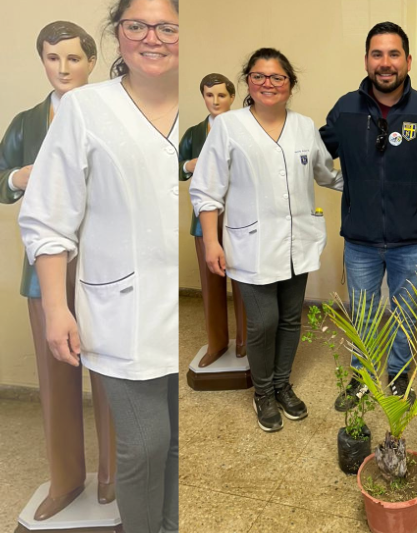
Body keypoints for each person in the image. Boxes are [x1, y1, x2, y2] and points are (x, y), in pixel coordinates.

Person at [18, 0, 180, 531]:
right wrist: (57, 306)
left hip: (180, 312)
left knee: (176, 447)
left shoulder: (203, 111)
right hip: (119, 312)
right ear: (117, 33)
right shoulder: (85, 109)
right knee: (143, 447)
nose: (152, 38)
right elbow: (47, 217)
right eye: (136, 25)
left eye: (167, 27)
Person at [320, 21, 417, 411]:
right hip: (360, 239)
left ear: (408, 60)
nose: (385, 63)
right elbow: (311, 153)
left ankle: (399, 371)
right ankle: (360, 374)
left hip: (410, 239)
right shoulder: (346, 109)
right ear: (366, 60)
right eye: (377, 54)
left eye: (394, 54)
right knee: (364, 314)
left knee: (406, 314)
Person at [190, 48, 342, 433]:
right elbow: (206, 190)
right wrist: (211, 242)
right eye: (259, 76)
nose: (268, 84)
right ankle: (262, 392)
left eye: (277, 77)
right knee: (263, 322)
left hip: (298, 242)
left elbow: (327, 173)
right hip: (251, 245)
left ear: (290, 85)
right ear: (247, 82)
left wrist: (374, 183)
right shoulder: (228, 127)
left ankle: (281, 384)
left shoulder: (305, 126)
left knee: (291, 319)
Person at [0, 21, 116, 521]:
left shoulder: (116, 112)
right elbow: (1, 181)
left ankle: (114, 475)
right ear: (42, 61)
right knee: (56, 376)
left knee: (112, 373)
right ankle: (66, 478)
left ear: (91, 61)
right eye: (53, 58)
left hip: (107, 264)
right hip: (47, 269)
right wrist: (17, 176)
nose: (64, 68)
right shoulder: (27, 122)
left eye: (73, 58)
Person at [179, 73, 247, 367]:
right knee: (211, 283)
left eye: (221, 95)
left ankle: (246, 341)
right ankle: (217, 342)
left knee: (244, 283)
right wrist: (188, 164)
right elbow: (173, 166)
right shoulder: (194, 133)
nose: (215, 101)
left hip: (240, 217)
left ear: (232, 97)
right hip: (205, 220)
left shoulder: (246, 127)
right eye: (209, 95)